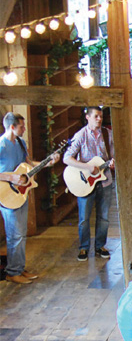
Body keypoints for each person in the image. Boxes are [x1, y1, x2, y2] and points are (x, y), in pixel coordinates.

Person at [1, 112, 59, 283]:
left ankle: (18, 267)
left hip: (20, 192)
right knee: (14, 234)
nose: (24, 129)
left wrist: (47, 162)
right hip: (5, 192)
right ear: (12, 127)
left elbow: (28, 163)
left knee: (21, 233)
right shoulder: (1, 145)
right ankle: (12, 272)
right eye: (21, 126)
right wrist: (10, 177)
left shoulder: (20, 142)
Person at [63, 106, 115, 262]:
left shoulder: (108, 134)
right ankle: (84, 248)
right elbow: (67, 158)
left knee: (104, 217)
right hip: (85, 182)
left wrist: (112, 163)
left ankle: (100, 246)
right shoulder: (80, 136)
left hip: (105, 181)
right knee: (84, 218)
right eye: (96, 116)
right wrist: (87, 167)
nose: (99, 119)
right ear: (88, 117)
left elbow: (113, 156)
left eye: (101, 116)